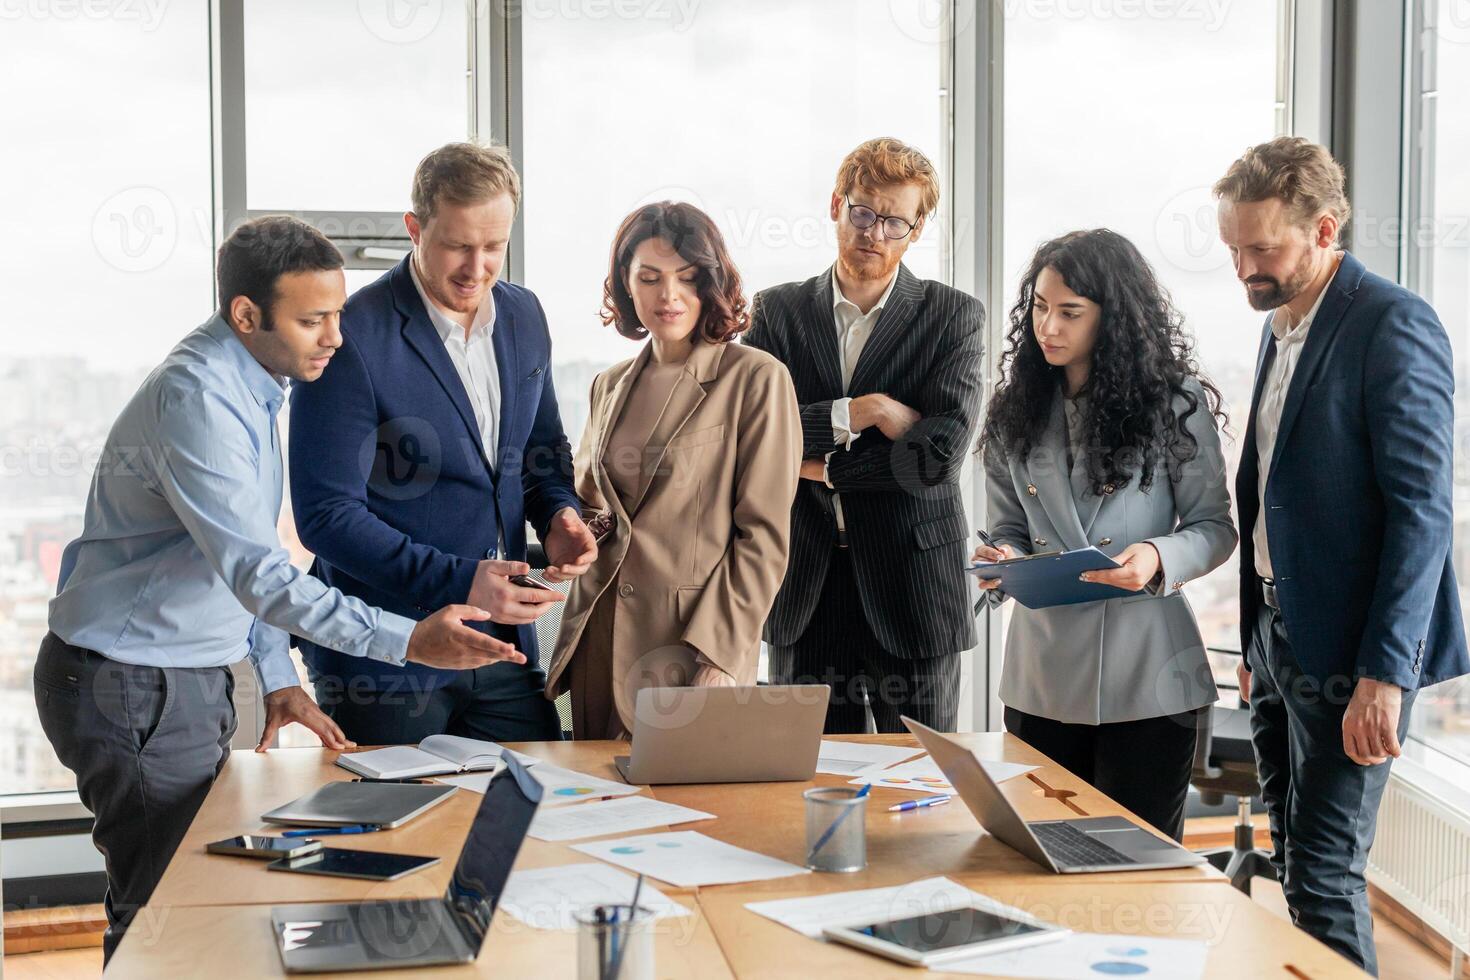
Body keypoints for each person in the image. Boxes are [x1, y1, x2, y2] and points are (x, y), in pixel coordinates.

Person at [34, 216, 517, 962]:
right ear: (246, 314)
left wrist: (275, 675)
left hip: (175, 677)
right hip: (131, 684)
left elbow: (244, 551)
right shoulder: (199, 399)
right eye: (313, 319)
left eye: (338, 314)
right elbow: (259, 574)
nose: (336, 337)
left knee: (198, 899)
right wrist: (408, 638)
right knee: (164, 910)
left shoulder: (254, 386)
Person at [1217, 136, 1469, 975]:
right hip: (1277, 643)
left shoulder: (1394, 324)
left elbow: (1422, 514)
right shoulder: (1281, 322)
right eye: (1233, 247)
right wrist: (1255, 639)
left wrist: (1384, 677)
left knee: (1323, 877)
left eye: (1263, 248)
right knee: (1293, 861)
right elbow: (1272, 491)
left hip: (1354, 660)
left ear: (1324, 231)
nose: (1244, 267)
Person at [289, 142, 597, 745]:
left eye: (494, 247)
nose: (476, 268)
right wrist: (461, 580)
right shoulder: (350, 334)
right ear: (414, 228)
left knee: (535, 820)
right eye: (457, 244)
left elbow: (540, 454)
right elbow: (326, 517)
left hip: (502, 651)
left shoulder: (524, 315)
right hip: (386, 659)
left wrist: (558, 512)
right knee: (395, 836)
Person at [972, 228, 1237, 841]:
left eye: (1070, 312)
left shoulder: (1174, 401)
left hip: (1149, 674)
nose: (1049, 327)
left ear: (1112, 317)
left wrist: (1156, 555)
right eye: (1039, 307)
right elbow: (1008, 525)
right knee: (1043, 856)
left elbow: (1213, 528)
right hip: (1043, 676)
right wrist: (1002, 556)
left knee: (1137, 864)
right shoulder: (1014, 407)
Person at [744, 137, 985, 734]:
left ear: (917, 228)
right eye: (863, 212)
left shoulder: (952, 317)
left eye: (894, 221)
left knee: (924, 786)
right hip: (806, 588)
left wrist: (821, 468)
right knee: (809, 783)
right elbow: (753, 436)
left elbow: (935, 459)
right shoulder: (776, 313)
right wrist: (865, 411)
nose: (874, 232)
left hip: (913, 588)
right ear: (836, 205)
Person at [544, 202, 801, 738]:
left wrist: (719, 656)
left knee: (693, 816)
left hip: (689, 648)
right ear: (625, 286)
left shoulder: (755, 379)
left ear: (711, 284)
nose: (669, 295)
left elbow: (763, 538)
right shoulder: (607, 385)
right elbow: (597, 507)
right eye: (650, 278)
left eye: (687, 278)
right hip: (599, 639)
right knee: (600, 813)